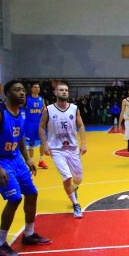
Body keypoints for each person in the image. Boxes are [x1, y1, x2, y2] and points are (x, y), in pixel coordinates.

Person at [0, 79, 50, 256]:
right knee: (15, 198)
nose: (22, 93)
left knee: (32, 193)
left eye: (23, 90)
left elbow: (19, 138)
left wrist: (28, 158)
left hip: (15, 158)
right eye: (17, 90)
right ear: (7, 93)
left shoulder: (22, 112)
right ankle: (0, 244)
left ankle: (29, 234)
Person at [39, 81, 87, 218]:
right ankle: (75, 204)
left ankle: (74, 188)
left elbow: (81, 125)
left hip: (72, 148)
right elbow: (41, 127)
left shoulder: (74, 108)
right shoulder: (48, 109)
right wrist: (44, 144)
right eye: (61, 90)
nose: (64, 92)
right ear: (55, 92)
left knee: (78, 178)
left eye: (66, 90)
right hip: (56, 149)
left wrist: (83, 143)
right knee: (67, 177)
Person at [23, 82, 49, 170]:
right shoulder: (27, 99)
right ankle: (31, 161)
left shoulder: (41, 99)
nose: (37, 88)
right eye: (35, 87)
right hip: (30, 124)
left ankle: (41, 160)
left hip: (40, 124)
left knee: (42, 141)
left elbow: (44, 110)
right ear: (31, 89)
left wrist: (46, 120)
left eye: (38, 87)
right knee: (31, 143)